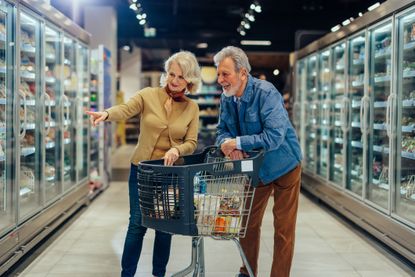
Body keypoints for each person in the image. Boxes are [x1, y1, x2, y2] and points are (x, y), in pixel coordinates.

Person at [86, 51, 201, 277]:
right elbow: (126, 109)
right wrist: (106, 114)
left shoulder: (192, 108)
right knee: (137, 224)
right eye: (171, 74)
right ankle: (127, 274)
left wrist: (177, 149)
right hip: (142, 170)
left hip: (170, 174)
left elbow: (192, 142)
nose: (175, 80)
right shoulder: (148, 95)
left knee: (165, 229)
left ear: (190, 80)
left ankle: (159, 274)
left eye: (181, 76)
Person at [213, 46, 302, 277]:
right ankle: (248, 271)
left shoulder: (266, 93)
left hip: (285, 165)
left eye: (225, 74)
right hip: (256, 169)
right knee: (247, 225)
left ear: (243, 73)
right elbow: (222, 130)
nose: (220, 79)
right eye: (218, 74)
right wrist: (226, 144)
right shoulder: (227, 98)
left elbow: (274, 136)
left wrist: (239, 143)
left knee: (283, 230)